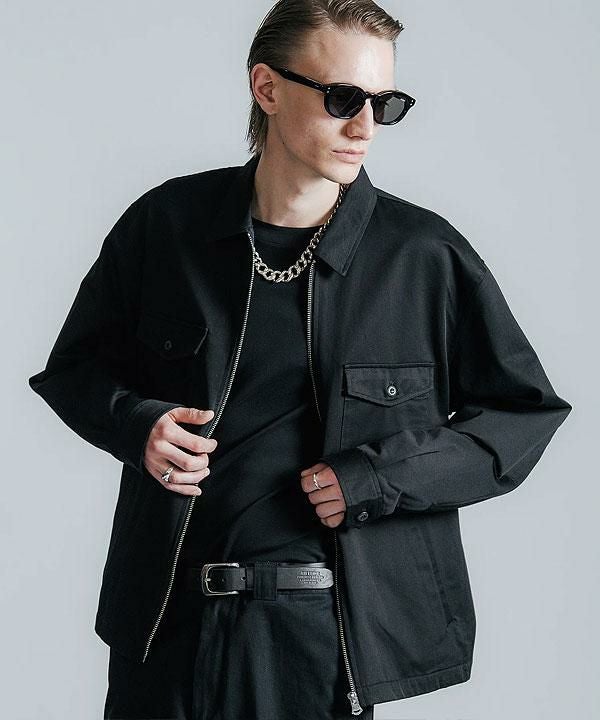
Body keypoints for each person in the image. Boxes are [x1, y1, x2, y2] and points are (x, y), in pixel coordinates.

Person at [28, 1, 572, 719]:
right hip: (167, 632)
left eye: (385, 104)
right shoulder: (167, 226)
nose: (365, 127)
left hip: (323, 641)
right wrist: (138, 425)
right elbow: (74, 370)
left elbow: (523, 415)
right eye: (344, 99)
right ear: (268, 88)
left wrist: (378, 477)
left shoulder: (422, 256)